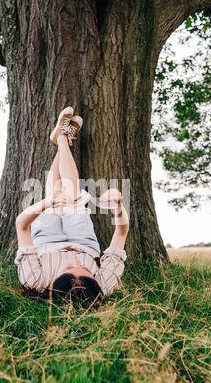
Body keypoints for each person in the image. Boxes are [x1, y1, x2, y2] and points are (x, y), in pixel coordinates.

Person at [14, 106, 129, 305]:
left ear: (52, 285)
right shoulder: (106, 283)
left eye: (68, 269)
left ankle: (62, 138)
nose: (74, 260)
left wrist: (47, 203)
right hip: (83, 242)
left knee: (56, 194)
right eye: (85, 269)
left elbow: (22, 225)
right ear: (96, 283)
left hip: (46, 243)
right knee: (72, 194)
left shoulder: (34, 280)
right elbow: (121, 232)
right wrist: (119, 205)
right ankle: (62, 138)